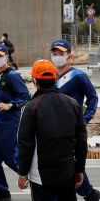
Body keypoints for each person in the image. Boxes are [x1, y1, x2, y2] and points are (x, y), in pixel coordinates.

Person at [17, 59, 87, 201]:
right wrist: (80, 169)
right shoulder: (72, 103)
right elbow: (81, 141)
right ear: (55, 78)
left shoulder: (31, 107)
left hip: (41, 175)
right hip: (67, 171)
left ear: (34, 81)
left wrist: (22, 173)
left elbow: (25, 144)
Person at [49, 39, 100, 201]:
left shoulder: (78, 76)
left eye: (61, 54)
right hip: (51, 129)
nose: (57, 56)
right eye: (54, 53)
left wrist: (84, 119)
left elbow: (92, 99)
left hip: (71, 129)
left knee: (71, 163)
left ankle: (89, 193)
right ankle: (88, 193)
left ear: (69, 56)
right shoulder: (49, 75)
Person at [0, 44, 30, 200]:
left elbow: (25, 96)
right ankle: (2, 192)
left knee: (10, 157)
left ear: (6, 57)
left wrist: (10, 105)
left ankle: (34, 180)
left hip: (9, 123)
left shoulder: (12, 76)